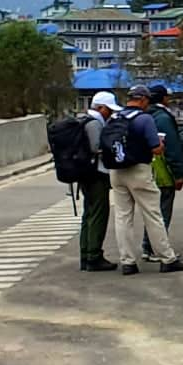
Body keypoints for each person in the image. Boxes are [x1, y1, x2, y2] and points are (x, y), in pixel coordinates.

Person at [107, 86, 183, 275]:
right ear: (143, 100)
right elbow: (156, 148)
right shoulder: (144, 119)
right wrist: (160, 143)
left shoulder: (114, 118)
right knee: (153, 214)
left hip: (116, 171)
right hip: (138, 170)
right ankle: (166, 258)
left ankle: (127, 261)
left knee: (122, 217)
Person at [141, 83, 183, 262]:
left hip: (146, 169)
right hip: (163, 172)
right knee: (162, 212)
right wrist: (178, 173)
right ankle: (157, 248)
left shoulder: (144, 115)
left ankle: (147, 246)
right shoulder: (163, 118)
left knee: (152, 211)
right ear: (164, 98)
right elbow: (172, 149)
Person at [76, 91, 119, 271]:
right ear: (100, 108)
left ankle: (86, 254)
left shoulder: (84, 120)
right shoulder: (94, 123)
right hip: (96, 175)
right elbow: (96, 148)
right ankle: (94, 255)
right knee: (98, 214)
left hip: (86, 173)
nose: (110, 113)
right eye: (108, 109)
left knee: (89, 213)